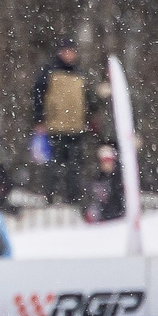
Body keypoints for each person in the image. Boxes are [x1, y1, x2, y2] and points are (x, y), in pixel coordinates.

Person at [30, 40, 91, 204]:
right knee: (53, 166)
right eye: (66, 51)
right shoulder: (49, 72)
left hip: (76, 128)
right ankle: (50, 197)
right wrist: (40, 119)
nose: (69, 55)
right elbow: (37, 96)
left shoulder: (80, 75)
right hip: (54, 127)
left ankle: (73, 198)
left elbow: (87, 101)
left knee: (74, 167)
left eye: (72, 51)